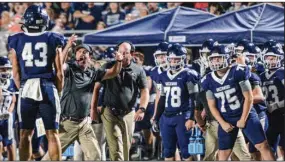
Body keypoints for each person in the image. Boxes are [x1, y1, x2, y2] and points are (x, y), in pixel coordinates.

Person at [42, 35, 123, 160]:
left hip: (84, 123)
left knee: (96, 156)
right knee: (51, 158)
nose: (82, 54)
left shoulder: (93, 73)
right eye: (79, 52)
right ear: (75, 56)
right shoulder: (70, 69)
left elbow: (113, 72)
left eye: (85, 52)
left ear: (90, 56)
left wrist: (119, 61)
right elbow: (59, 65)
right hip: (68, 123)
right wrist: (68, 46)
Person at [8, 5, 64, 161]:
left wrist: (23, 89)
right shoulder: (53, 38)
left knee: (25, 133)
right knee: (52, 133)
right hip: (47, 86)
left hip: (27, 87)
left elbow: (16, 73)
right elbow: (60, 72)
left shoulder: (16, 39)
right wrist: (57, 91)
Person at [200, 44, 275, 160]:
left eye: (218, 58)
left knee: (262, 145)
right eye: (213, 59)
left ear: (228, 58)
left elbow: (249, 98)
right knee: (223, 153)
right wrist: (222, 123)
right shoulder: (207, 80)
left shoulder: (238, 72)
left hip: (246, 113)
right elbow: (211, 105)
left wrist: (243, 119)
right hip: (226, 117)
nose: (215, 61)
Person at [194, 40, 251, 161]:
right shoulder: (205, 77)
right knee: (211, 156)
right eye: (207, 56)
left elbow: (246, 96)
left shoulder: (234, 71)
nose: (212, 60)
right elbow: (202, 101)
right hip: (213, 121)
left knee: (241, 156)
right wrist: (201, 121)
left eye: (216, 57)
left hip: (229, 118)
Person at [97, 41, 149, 161]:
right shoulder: (108, 66)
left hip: (128, 112)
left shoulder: (138, 70)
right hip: (110, 111)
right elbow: (97, 87)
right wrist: (95, 106)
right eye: (120, 52)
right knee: (115, 146)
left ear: (131, 54)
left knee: (126, 145)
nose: (122, 55)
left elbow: (144, 91)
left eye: (125, 53)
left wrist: (142, 109)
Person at [260, 45, 284, 157]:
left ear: (279, 58)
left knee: (282, 147)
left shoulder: (282, 73)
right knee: (267, 147)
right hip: (269, 117)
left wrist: (276, 105)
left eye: (273, 58)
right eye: (268, 58)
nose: (270, 61)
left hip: (283, 114)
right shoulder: (261, 76)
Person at [0, 57, 17, 161]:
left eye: (7, 69)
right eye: (2, 69)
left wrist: (9, 113)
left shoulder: (11, 82)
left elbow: (13, 100)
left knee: (10, 143)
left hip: (7, 117)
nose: (5, 71)